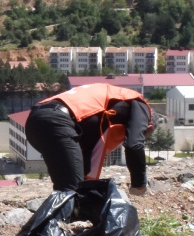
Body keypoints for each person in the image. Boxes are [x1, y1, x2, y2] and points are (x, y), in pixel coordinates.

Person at [25, 82, 155, 195]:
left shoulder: (106, 109)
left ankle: (59, 219)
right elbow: (134, 145)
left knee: (70, 188)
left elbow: (85, 155)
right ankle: (49, 222)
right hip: (58, 121)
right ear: (149, 126)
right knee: (73, 191)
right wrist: (139, 185)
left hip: (35, 120)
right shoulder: (139, 103)